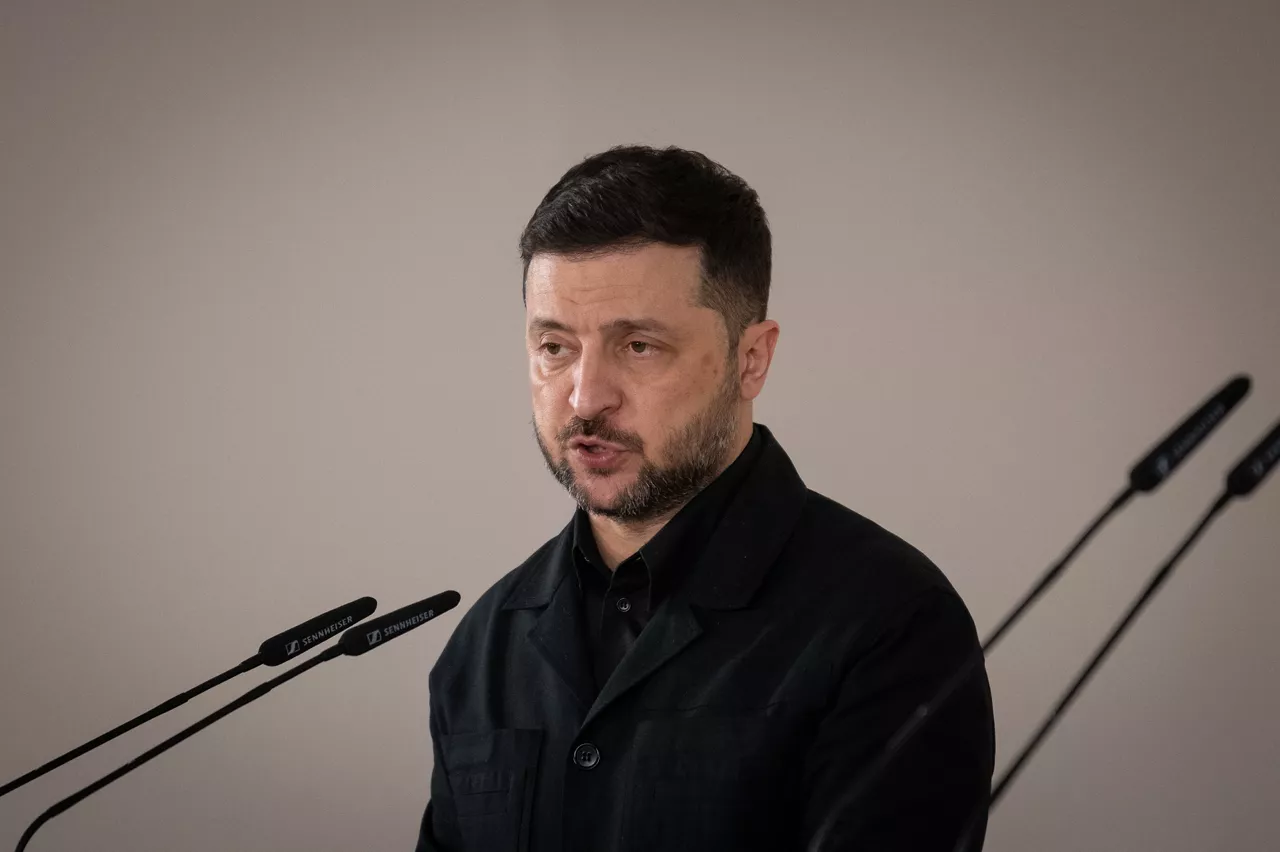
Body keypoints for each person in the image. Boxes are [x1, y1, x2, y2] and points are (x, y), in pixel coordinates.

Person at [414, 144, 995, 852]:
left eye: (639, 347)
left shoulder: (888, 623)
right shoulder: (483, 646)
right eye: (555, 347)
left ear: (751, 359)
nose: (585, 397)